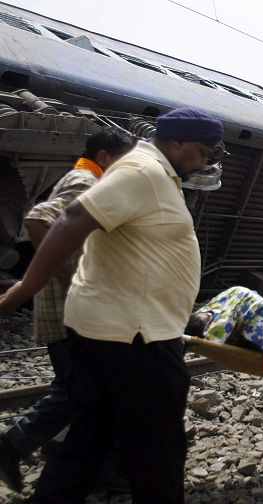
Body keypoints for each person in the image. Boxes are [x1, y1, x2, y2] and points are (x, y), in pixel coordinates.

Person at [0, 108, 223, 502]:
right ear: (177, 143)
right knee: (159, 450)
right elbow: (69, 218)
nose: (204, 162)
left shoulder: (158, 174)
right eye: (203, 153)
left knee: (90, 438)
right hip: (136, 338)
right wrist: (26, 287)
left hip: (119, 329)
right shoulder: (143, 172)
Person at [0, 128, 136, 494]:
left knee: (90, 392)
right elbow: (39, 220)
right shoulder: (87, 180)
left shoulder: (83, 177)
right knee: (79, 389)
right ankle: (12, 445)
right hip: (73, 311)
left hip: (76, 309)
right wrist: (66, 276)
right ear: (106, 157)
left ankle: (93, 465)